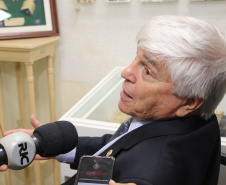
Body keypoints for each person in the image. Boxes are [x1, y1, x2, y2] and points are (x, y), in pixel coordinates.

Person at [1, 15, 226, 185]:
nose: (126, 71)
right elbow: (119, 146)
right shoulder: (200, 121)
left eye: (147, 71)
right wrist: (54, 146)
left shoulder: (148, 175)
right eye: (135, 59)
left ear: (189, 102)